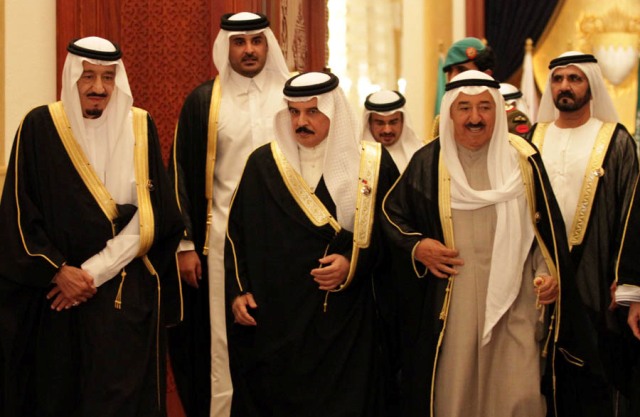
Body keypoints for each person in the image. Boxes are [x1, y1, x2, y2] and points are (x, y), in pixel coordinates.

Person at [0, 36, 184, 417]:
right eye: (88, 76)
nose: (98, 87)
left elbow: (153, 216)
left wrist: (92, 272)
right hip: (55, 296)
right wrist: (58, 272)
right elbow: (18, 214)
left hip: (121, 295)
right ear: (72, 77)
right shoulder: (39, 126)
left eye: (107, 77)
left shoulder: (139, 126)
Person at [382, 70, 580, 416]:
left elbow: (543, 232)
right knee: (455, 396)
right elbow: (390, 216)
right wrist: (419, 246)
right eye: (465, 108)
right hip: (452, 302)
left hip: (516, 299)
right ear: (450, 113)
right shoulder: (429, 162)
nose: (475, 118)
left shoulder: (523, 160)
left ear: (497, 111)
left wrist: (547, 273)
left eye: (485, 107)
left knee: (518, 395)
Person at [225, 71, 399, 416]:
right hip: (279, 317)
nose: (301, 122)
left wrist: (352, 262)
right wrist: (238, 290)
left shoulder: (372, 163)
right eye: (294, 112)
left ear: (334, 112)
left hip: (346, 316)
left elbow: (392, 234)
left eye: (312, 112)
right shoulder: (264, 164)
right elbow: (237, 233)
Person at [168, 12, 290, 417]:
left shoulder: (291, 99)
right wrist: (185, 244)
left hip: (285, 237)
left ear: (268, 44)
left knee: (284, 329)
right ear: (227, 47)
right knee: (222, 337)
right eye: (240, 42)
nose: (249, 50)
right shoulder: (204, 101)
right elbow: (180, 172)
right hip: (220, 241)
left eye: (256, 41)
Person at [529, 51, 640, 417]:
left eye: (574, 79)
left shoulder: (616, 140)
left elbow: (631, 214)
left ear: (590, 85)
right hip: (541, 276)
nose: (565, 86)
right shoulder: (533, 139)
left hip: (598, 277)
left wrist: (626, 279)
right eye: (558, 79)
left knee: (597, 377)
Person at [431, 37, 531, 140]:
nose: (453, 77)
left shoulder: (510, 118)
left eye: (462, 70)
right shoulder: (444, 118)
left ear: (486, 75)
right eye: (449, 71)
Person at [362, 89, 424, 171]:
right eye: (380, 123)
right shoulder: (358, 156)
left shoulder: (421, 155)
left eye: (393, 122)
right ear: (369, 123)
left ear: (403, 121)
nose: (387, 130)